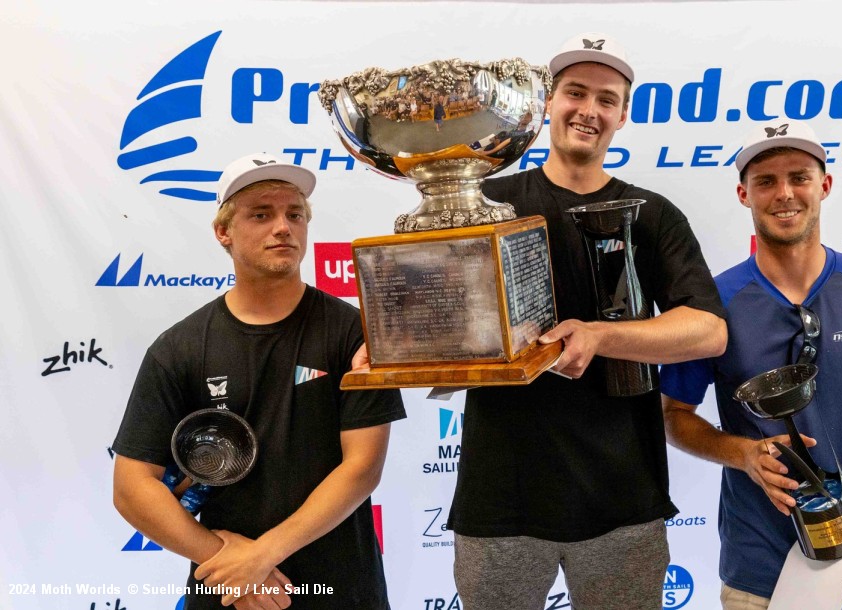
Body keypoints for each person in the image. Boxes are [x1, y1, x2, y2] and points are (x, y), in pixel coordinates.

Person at [448, 33, 727, 609]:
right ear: (547, 103)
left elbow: (708, 328)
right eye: (575, 93)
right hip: (501, 497)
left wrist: (600, 335)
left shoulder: (653, 214)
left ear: (623, 115)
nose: (589, 111)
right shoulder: (484, 206)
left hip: (622, 495)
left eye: (606, 99)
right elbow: (435, 309)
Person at [660, 121, 842, 610]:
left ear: (825, 185)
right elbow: (675, 416)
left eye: (799, 176)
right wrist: (744, 455)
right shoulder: (714, 304)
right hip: (761, 573)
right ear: (743, 194)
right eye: (766, 181)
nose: (785, 194)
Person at [112, 153, 406, 610]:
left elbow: (362, 467)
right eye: (261, 214)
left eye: (294, 214)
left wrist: (262, 556)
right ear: (224, 232)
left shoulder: (355, 331)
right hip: (229, 590)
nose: (283, 227)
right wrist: (231, 566)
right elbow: (132, 486)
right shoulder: (180, 347)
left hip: (340, 586)